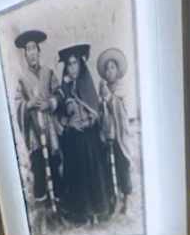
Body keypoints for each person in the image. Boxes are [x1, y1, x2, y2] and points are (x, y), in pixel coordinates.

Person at [57, 44, 110, 225]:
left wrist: (88, 121)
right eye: (69, 64)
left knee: (94, 172)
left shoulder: (87, 83)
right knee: (77, 174)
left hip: (90, 137)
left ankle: (98, 211)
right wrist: (69, 123)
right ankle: (82, 214)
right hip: (74, 139)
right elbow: (60, 115)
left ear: (80, 65)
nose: (72, 68)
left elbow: (95, 110)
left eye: (75, 63)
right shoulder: (64, 88)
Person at [14, 29, 62, 226]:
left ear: (39, 51)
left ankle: (59, 210)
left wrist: (50, 103)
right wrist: (28, 105)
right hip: (35, 133)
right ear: (25, 55)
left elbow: (59, 94)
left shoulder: (49, 73)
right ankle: (44, 216)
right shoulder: (22, 79)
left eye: (34, 48)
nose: (32, 53)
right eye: (28, 50)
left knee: (55, 166)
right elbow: (18, 103)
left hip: (50, 130)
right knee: (40, 170)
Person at [97, 47, 133, 216]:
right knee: (109, 166)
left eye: (112, 67)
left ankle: (126, 199)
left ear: (118, 70)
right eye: (107, 68)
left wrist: (109, 99)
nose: (110, 71)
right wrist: (102, 102)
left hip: (120, 133)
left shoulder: (122, 89)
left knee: (122, 165)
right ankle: (113, 197)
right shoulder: (103, 89)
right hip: (108, 132)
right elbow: (101, 109)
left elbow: (121, 109)